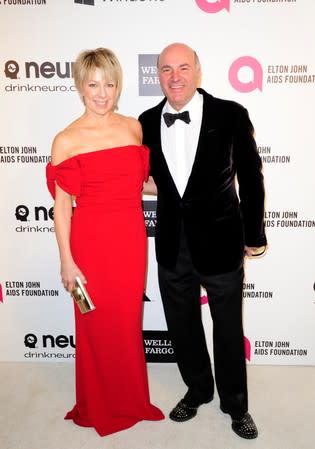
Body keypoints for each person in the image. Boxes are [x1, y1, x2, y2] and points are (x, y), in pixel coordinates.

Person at [139, 42, 267, 440]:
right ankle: (197, 389)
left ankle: (235, 405)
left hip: (223, 240)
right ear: (157, 75)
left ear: (197, 71)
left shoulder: (230, 114)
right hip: (172, 244)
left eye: (182, 68)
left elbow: (251, 175)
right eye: (165, 70)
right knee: (182, 325)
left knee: (227, 327)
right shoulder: (143, 122)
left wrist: (254, 234)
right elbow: (145, 181)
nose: (174, 76)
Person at [46, 47, 164, 436]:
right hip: (90, 245)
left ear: (118, 86)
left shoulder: (133, 128)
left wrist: (187, 190)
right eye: (93, 84)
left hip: (130, 241)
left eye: (109, 84)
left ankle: (131, 399)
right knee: (94, 323)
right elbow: (62, 208)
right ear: (80, 86)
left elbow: (141, 184)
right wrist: (67, 261)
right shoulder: (66, 139)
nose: (102, 93)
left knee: (127, 323)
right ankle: (97, 403)